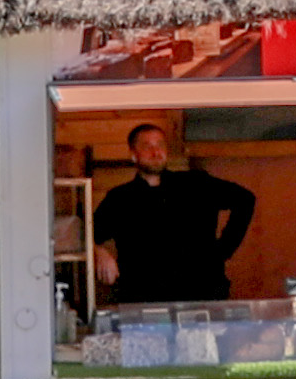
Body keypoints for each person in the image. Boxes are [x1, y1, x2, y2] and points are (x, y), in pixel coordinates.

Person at [84, 121, 253, 309]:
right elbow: (87, 233)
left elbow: (245, 199)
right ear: (133, 154)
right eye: (147, 146)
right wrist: (100, 252)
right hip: (144, 299)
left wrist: (223, 250)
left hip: (202, 293)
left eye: (160, 145)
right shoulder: (120, 198)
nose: (156, 152)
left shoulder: (196, 184)